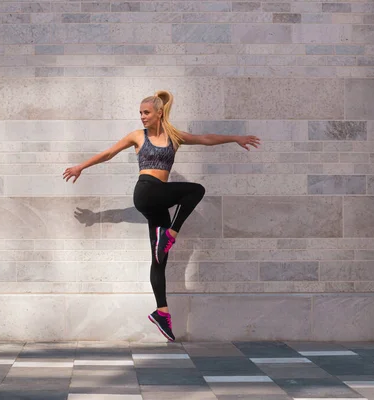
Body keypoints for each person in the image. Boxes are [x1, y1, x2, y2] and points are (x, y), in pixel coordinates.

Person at [63, 90, 260, 341]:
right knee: (195, 190)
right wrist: (81, 166)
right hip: (145, 192)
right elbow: (109, 153)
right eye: (140, 113)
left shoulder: (174, 137)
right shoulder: (138, 136)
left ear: (159, 113)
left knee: (159, 260)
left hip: (159, 204)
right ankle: (171, 235)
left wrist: (235, 138)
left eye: (146, 112)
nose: (142, 117)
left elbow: (205, 139)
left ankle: (161, 312)